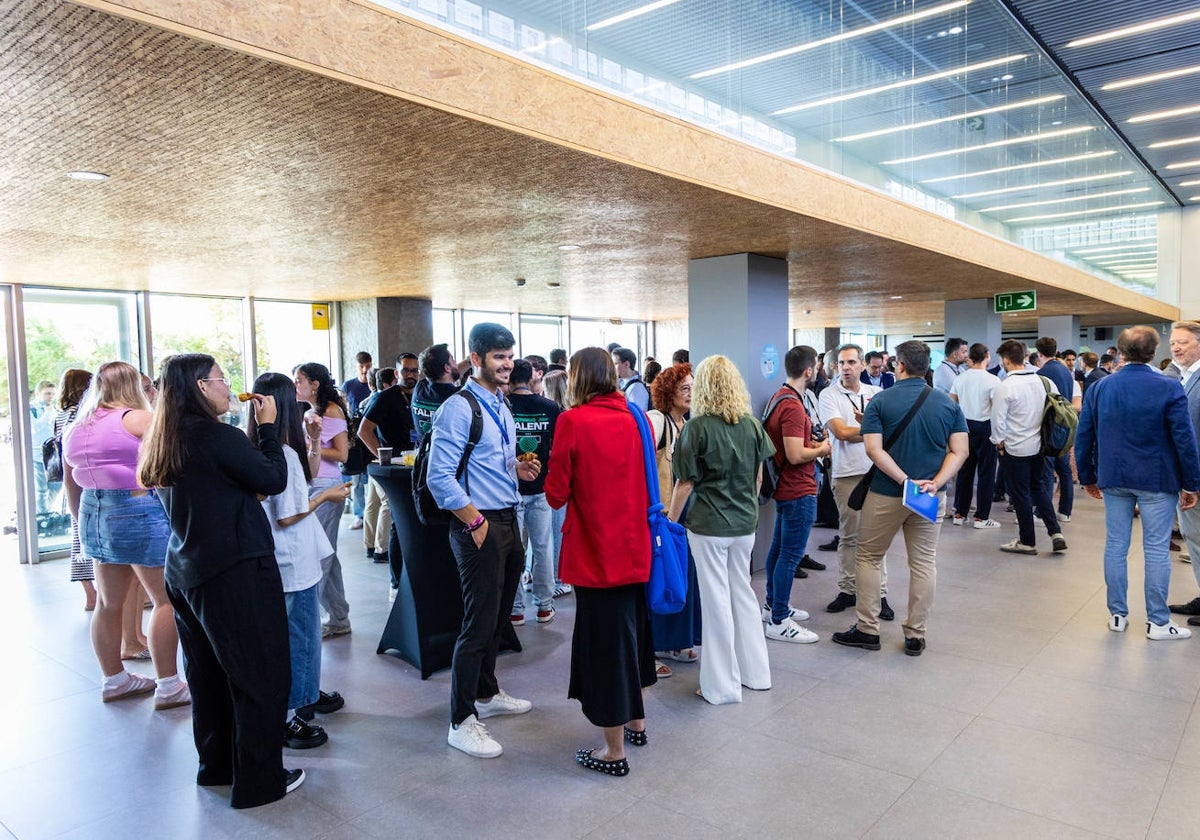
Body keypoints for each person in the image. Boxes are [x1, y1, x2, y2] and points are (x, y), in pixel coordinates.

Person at [139, 353, 303, 808]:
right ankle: (260, 782)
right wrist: (268, 429)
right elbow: (272, 479)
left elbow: (217, 488)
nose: (228, 386)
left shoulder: (165, 437)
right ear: (199, 386)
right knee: (260, 674)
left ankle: (217, 767)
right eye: (220, 379)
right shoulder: (218, 435)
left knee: (208, 674)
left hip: (187, 570)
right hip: (235, 570)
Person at [427, 323, 541, 759]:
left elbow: (490, 460)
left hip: (509, 519)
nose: (507, 363)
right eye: (498, 356)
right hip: (479, 524)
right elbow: (440, 478)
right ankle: (460, 720)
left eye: (510, 355)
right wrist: (476, 523)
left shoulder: (500, 404)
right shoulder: (459, 408)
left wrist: (515, 468)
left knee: (498, 621)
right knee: (476, 624)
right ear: (475, 359)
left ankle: (487, 694)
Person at [544, 347, 654, 777]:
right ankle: (637, 724)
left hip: (594, 551)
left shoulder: (572, 421)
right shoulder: (638, 418)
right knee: (633, 634)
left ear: (577, 379)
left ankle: (614, 751)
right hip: (635, 548)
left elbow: (556, 493)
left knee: (604, 646)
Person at [61, 361, 189, 709]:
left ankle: (114, 679)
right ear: (132, 385)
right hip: (137, 508)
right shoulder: (138, 419)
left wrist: (80, 521)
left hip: (93, 510)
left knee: (107, 602)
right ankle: (169, 685)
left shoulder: (77, 427)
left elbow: (71, 479)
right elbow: (167, 470)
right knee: (165, 600)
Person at [832, 340, 967, 656]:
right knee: (923, 563)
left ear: (899, 365)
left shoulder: (880, 401)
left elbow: (873, 449)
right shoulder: (948, 405)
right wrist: (934, 483)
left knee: (867, 557)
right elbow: (960, 451)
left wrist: (905, 480)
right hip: (930, 497)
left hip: (886, 493)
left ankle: (867, 629)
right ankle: (916, 634)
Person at [248, 372, 351, 748]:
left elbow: (307, 474)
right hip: (293, 558)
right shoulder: (282, 454)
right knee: (302, 638)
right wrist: (327, 498)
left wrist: (312, 438)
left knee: (292, 637)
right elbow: (289, 514)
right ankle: (294, 714)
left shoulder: (267, 447)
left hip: (280, 557)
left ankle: (300, 700)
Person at [1076, 327, 1200, 639]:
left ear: (1119, 352)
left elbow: (1085, 434)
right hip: (1158, 479)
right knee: (1156, 549)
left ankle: (1117, 615)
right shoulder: (1169, 387)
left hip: (1114, 477)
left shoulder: (1101, 387)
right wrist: (1191, 483)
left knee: (1116, 545)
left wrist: (1088, 476)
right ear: (1155, 352)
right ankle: (1158, 622)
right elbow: (1184, 439)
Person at [668, 355, 774, 704]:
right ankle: (756, 675)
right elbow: (758, 478)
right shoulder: (751, 425)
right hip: (745, 525)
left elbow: (684, 483)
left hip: (709, 526)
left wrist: (670, 523)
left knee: (716, 604)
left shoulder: (696, 428)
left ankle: (721, 686)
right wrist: (744, 507)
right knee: (742, 596)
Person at [761, 346, 830, 643]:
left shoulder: (781, 396)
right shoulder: (791, 405)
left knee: (779, 550)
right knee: (789, 555)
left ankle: (774, 606)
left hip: (788, 488)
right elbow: (794, 452)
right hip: (797, 488)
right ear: (809, 370)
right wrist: (822, 449)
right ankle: (778, 620)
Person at [818, 344, 892, 619]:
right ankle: (848, 590)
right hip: (846, 473)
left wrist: (869, 429)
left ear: (862, 365)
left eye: (851, 362)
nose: (846, 367)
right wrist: (874, 429)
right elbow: (841, 432)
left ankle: (880, 594)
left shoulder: (877, 394)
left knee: (876, 537)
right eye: (841, 363)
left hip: (877, 472)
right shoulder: (828, 395)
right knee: (849, 536)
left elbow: (892, 429)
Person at [646, 362, 701, 673]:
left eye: (693, 387)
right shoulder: (657, 421)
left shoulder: (686, 424)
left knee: (678, 580)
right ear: (669, 391)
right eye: (684, 388)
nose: (690, 393)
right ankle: (650, 651)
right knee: (659, 582)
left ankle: (673, 643)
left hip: (682, 520)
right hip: (662, 518)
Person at [990, 340, 1066, 555]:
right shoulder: (1044, 381)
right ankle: (1055, 532)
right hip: (1040, 446)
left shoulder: (1005, 386)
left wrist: (999, 444)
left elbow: (998, 422)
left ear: (1005, 360)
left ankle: (1027, 541)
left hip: (1015, 448)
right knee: (1039, 487)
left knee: (1020, 493)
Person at [293, 362, 352, 638]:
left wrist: (309, 446)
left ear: (314, 384)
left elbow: (342, 455)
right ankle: (339, 617)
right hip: (314, 484)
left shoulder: (331, 411)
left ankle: (308, 622)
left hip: (327, 486)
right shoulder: (311, 411)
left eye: (299, 381)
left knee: (317, 554)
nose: (296, 386)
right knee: (326, 552)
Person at [507, 359, 561, 625]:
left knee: (515, 550)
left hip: (510, 488)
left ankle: (516, 609)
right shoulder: (550, 408)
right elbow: (558, 448)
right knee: (542, 547)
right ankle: (544, 606)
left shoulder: (503, 406)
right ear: (531, 378)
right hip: (541, 486)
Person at [54, 368, 95, 610]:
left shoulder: (61, 414)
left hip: (69, 478)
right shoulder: (77, 415)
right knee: (81, 538)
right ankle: (91, 595)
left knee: (78, 537)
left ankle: (90, 594)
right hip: (78, 479)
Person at [949, 343, 1001, 529]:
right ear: (987, 355)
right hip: (985, 427)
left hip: (963, 427)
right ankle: (981, 517)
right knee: (986, 474)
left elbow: (951, 403)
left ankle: (960, 513)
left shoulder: (960, 378)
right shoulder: (993, 380)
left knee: (964, 471)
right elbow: (997, 409)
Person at [1168, 322, 1200, 620]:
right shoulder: (1185, 377)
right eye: (1173, 343)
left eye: (1184, 342)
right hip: (1187, 474)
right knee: (1194, 539)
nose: (1176, 347)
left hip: (1196, 476)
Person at [543, 369, 572, 599]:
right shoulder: (566, 414)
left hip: (554, 478)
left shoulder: (561, 417)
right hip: (556, 478)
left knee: (553, 531)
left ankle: (558, 578)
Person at [342, 351, 373, 529]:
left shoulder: (373, 384)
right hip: (355, 438)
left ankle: (369, 513)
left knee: (370, 479)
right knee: (357, 480)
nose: (364, 369)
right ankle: (359, 514)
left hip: (371, 434)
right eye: (361, 366)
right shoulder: (349, 386)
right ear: (356, 366)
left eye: (367, 366)